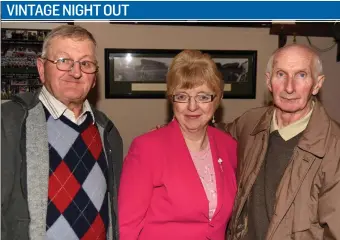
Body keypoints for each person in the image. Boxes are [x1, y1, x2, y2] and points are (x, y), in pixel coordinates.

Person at [1, 25, 123, 240]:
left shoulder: (107, 131)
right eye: (63, 61)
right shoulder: (8, 121)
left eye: (85, 63)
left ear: (94, 76)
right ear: (41, 68)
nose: (75, 73)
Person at [118, 50, 238, 240]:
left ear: (217, 99)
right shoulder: (147, 148)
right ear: (171, 99)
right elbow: (127, 228)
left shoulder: (229, 146)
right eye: (182, 96)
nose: (192, 106)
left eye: (203, 97)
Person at [225, 44, 340, 239]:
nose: (289, 87)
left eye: (301, 75)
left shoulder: (334, 147)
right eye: (281, 74)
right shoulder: (250, 123)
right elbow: (209, 137)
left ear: (317, 84)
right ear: (269, 82)